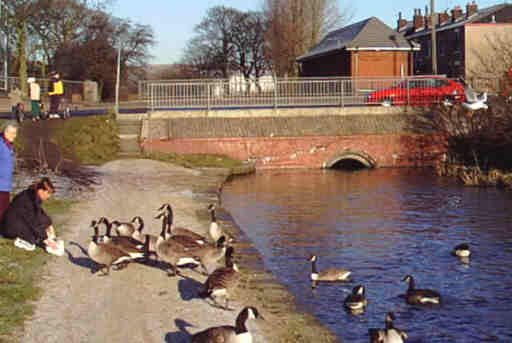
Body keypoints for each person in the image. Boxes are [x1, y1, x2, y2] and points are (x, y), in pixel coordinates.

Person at [0, 177, 64, 256]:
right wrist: (47, 240)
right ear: (41, 191)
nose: (49, 196)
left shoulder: (33, 196)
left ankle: (41, 239)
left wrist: (49, 225)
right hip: (10, 227)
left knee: (40, 231)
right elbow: (33, 223)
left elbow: (40, 213)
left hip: (19, 221)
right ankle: (20, 241)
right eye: (48, 193)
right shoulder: (28, 200)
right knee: (34, 240)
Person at [0, 121, 17, 222]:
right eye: (11, 133)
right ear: (5, 132)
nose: (14, 135)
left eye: (15, 133)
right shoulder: (1, 144)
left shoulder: (8, 144)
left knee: (5, 209)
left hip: (6, 184)